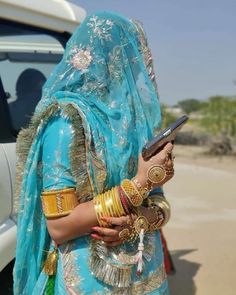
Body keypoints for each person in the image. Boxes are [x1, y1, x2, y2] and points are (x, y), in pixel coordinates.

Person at [13, 12, 175, 295]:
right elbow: (60, 227)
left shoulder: (137, 125)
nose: (139, 69)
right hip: (91, 282)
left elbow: (161, 205)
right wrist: (138, 186)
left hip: (144, 275)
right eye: (130, 57)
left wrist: (134, 223)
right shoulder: (66, 124)